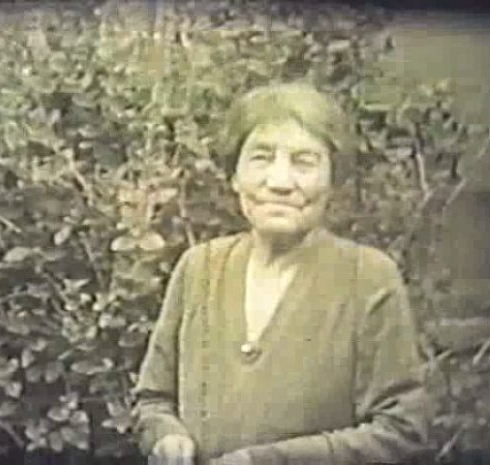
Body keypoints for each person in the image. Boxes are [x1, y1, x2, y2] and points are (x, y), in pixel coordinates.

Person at [134, 82, 431, 465]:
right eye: (261, 158)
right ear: (234, 176)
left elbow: (401, 430)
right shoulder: (198, 268)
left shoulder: (369, 277)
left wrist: (268, 461)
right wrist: (165, 436)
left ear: (332, 180)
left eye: (303, 162)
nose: (279, 182)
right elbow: (153, 399)